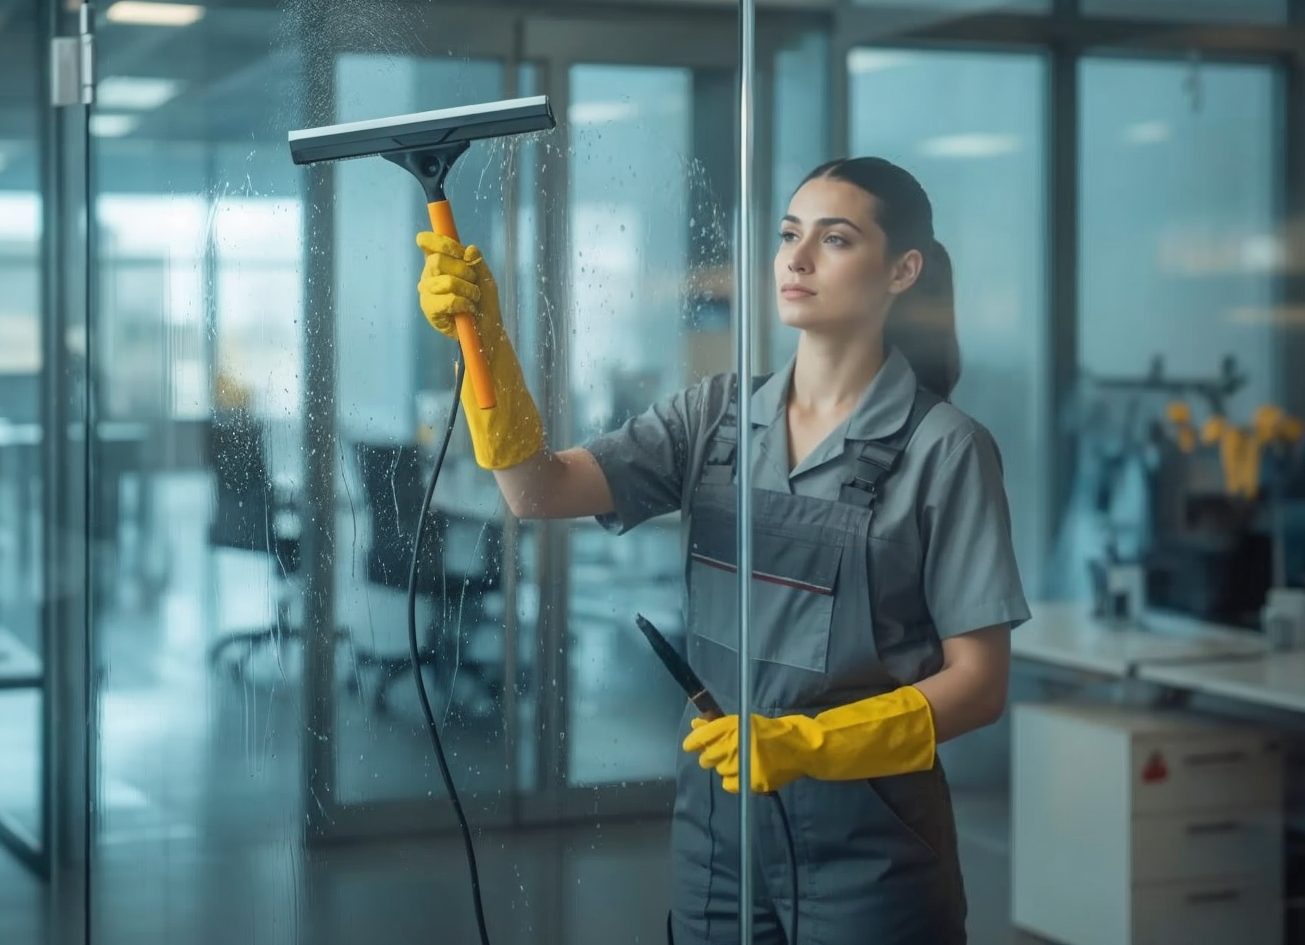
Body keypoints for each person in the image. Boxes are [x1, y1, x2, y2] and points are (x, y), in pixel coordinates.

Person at [414, 156, 1029, 945]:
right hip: (717, 828)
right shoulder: (715, 417)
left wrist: (808, 744)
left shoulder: (946, 449)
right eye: (787, 235)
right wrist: (483, 343)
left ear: (903, 270)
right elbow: (535, 490)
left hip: (871, 844)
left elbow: (978, 686)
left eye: (835, 240)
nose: (797, 259)